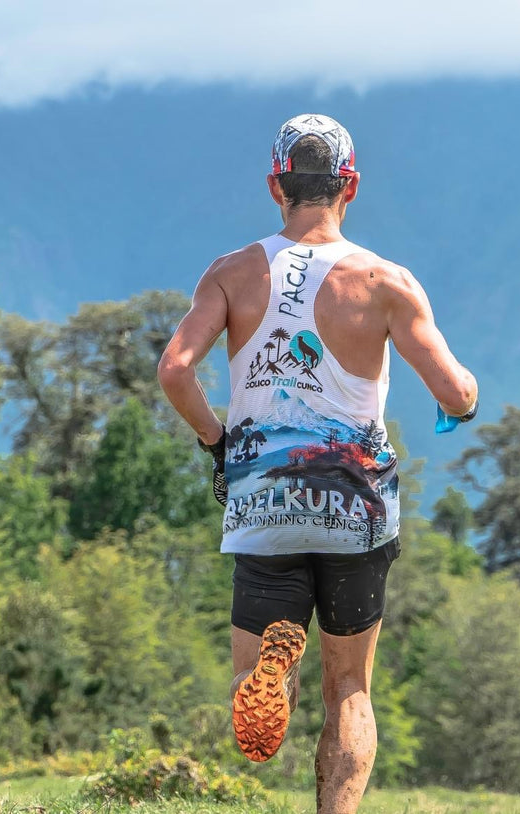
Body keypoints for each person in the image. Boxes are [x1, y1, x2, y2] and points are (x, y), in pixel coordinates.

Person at [157, 113, 477, 813]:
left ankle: (272, 668)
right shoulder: (383, 281)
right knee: (352, 690)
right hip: (355, 507)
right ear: (350, 187)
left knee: (258, 683)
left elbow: (176, 369)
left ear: (277, 185)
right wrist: (466, 399)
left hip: (262, 501)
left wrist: (217, 440)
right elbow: (454, 391)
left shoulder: (230, 274)